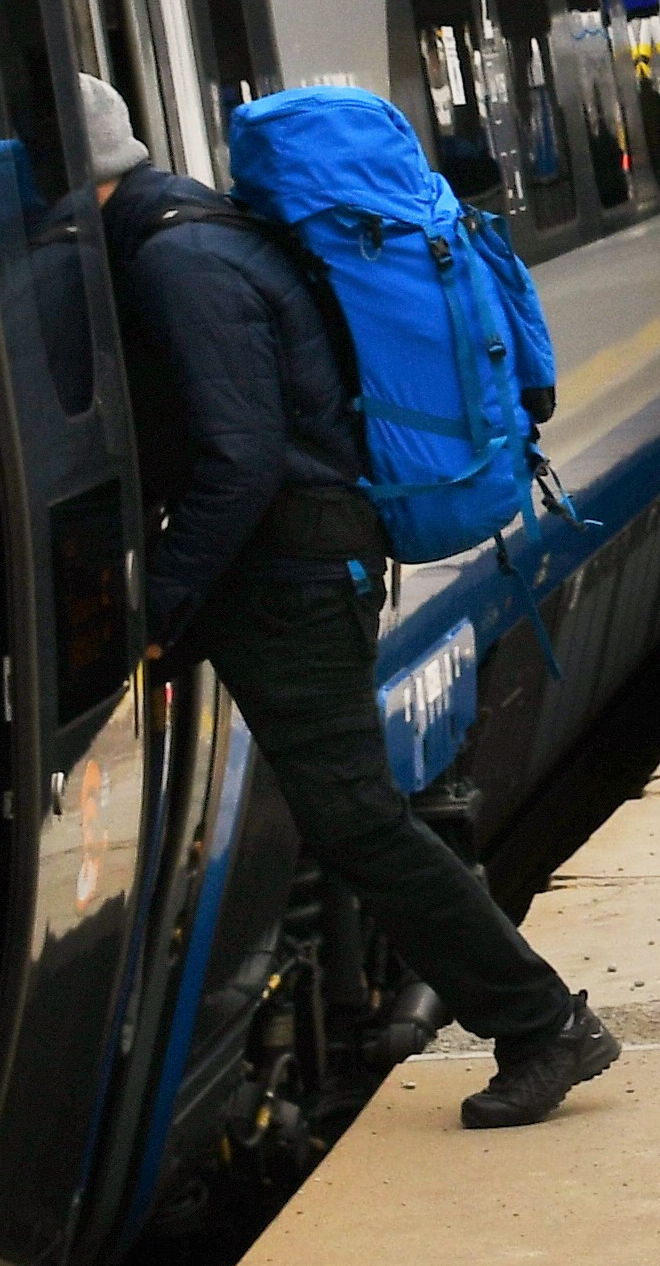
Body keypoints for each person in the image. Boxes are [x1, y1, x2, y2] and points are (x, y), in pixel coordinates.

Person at [82, 76, 618, 1130]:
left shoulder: (175, 263)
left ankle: (544, 1023)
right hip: (291, 565)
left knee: (359, 821)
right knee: (358, 817)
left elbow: (239, 460)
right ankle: (537, 1018)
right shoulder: (195, 228)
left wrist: (157, 610)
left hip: (290, 576)